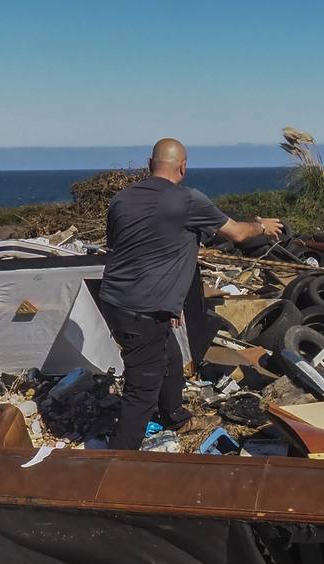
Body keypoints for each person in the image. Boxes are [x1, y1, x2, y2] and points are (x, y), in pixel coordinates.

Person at [98, 138, 282, 450]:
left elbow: (123, 248)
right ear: (182, 167)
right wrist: (261, 225)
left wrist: (167, 302)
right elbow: (237, 233)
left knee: (170, 354)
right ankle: (118, 460)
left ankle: (174, 417)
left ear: (149, 164)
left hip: (114, 299)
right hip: (141, 310)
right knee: (142, 386)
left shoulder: (122, 199)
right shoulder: (187, 200)